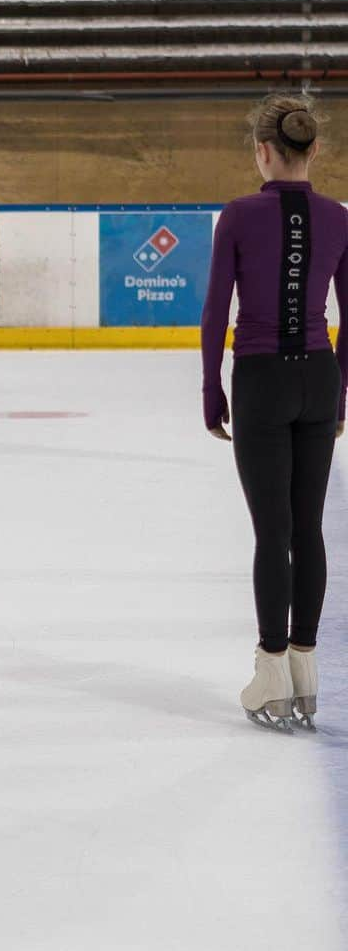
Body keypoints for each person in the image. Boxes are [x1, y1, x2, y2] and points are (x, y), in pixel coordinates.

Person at [201, 94, 348, 732]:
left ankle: (271, 669)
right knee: (307, 527)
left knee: (273, 533)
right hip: (319, 377)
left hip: (260, 381)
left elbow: (215, 314)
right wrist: (343, 392)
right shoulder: (339, 218)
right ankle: (306, 670)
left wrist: (212, 390)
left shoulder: (236, 217)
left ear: (262, 150)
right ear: (314, 150)